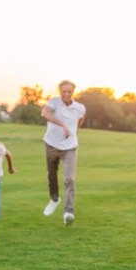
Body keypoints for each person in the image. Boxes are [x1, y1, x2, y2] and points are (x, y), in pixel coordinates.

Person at [40, 80, 86, 225]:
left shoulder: (80, 108)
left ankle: (69, 212)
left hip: (70, 147)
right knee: (52, 174)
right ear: (60, 91)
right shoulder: (54, 102)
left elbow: (80, 121)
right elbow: (44, 113)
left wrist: (73, 133)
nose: (66, 94)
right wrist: (63, 125)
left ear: (73, 92)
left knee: (69, 179)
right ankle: (54, 199)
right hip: (51, 144)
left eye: (69, 92)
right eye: (64, 92)